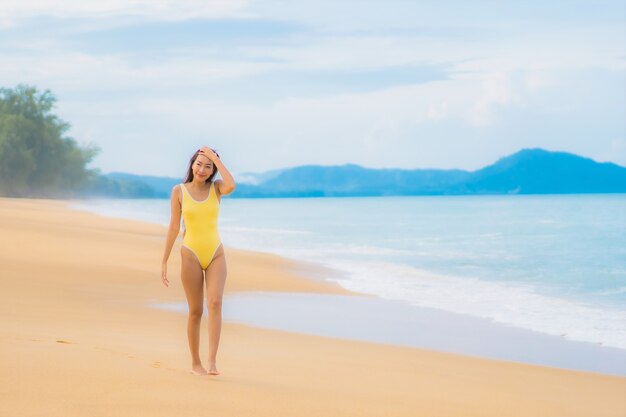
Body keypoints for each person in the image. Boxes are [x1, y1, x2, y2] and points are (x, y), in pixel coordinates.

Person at [161, 146, 236, 376]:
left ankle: (212, 362)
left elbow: (231, 184)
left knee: (215, 303)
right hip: (190, 253)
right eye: (199, 163)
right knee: (195, 311)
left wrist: (216, 158)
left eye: (208, 165)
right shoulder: (179, 191)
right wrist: (164, 261)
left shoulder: (217, 189)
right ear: (192, 164)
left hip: (216, 253)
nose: (202, 169)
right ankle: (196, 363)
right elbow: (174, 227)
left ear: (213, 170)